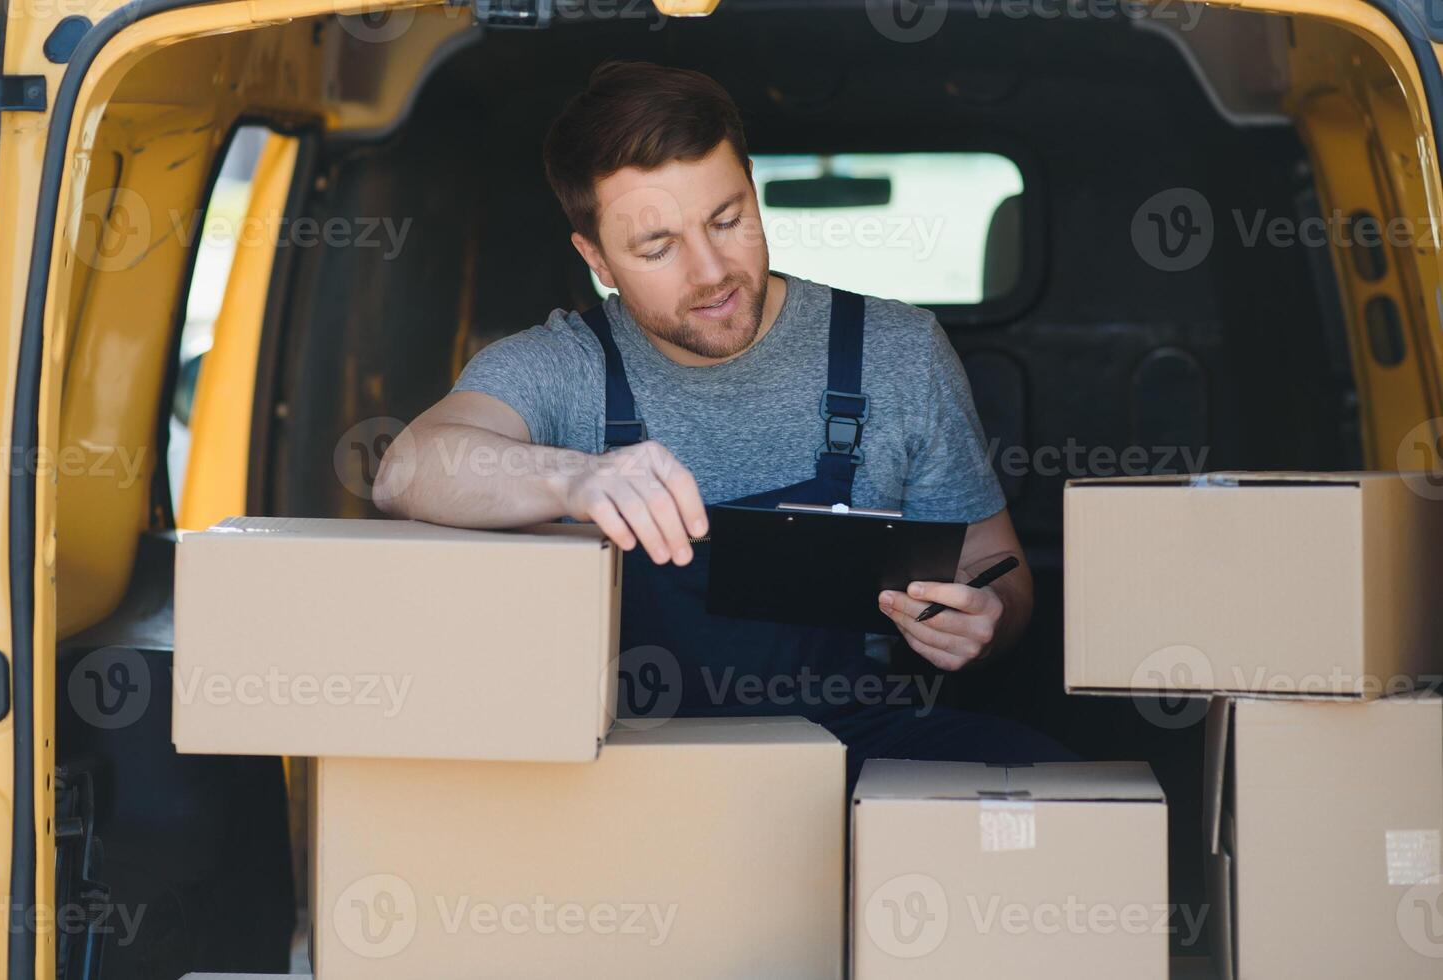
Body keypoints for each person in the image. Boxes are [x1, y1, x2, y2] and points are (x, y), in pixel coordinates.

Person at [376, 60, 1073, 781]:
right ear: (597, 260)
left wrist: (983, 620)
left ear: (755, 193)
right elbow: (406, 468)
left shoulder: (896, 354)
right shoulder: (561, 368)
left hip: (848, 752)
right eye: (658, 246)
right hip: (626, 773)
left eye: (727, 220)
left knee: (1052, 789)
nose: (710, 271)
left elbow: (1002, 574)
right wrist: (574, 479)